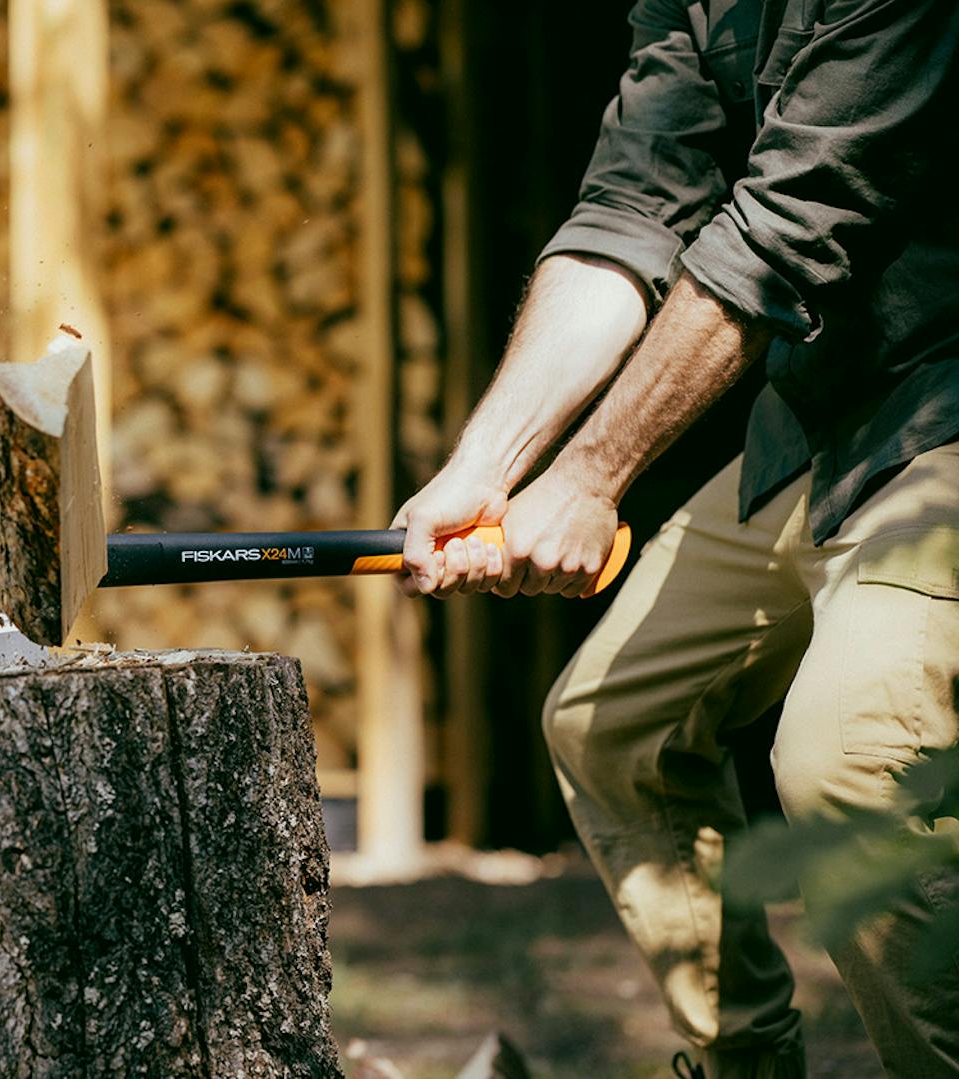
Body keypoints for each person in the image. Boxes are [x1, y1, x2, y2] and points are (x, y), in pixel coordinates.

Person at [395, 2, 959, 1075]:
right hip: (820, 426)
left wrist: (589, 477)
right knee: (613, 724)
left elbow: (786, 228)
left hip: (944, 411)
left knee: (851, 762)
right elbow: (628, 214)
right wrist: (485, 467)